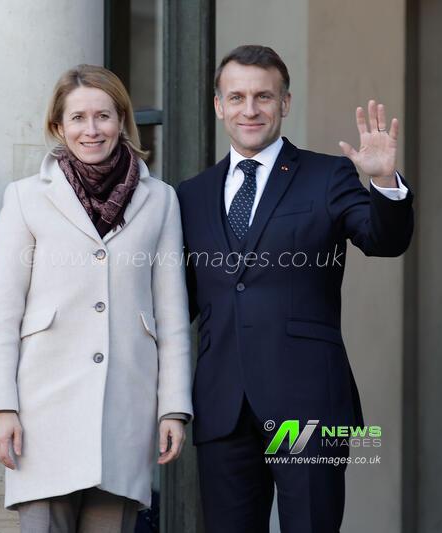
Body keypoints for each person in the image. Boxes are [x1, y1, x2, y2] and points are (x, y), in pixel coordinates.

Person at [176, 45, 414, 532]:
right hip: (223, 409)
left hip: (308, 408)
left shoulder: (328, 176)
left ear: (285, 103)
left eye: (263, 96)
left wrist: (384, 182)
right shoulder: (189, 194)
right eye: (236, 96)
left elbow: (384, 241)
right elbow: (175, 304)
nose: (250, 109)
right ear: (218, 105)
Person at [0, 64, 192, 533]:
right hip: (40, 413)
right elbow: (3, 312)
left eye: (103, 116)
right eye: (77, 118)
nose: (91, 130)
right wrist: (1, 408)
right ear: (58, 125)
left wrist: (172, 406)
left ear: (122, 122)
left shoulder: (161, 200)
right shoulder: (25, 198)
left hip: (126, 410)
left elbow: (171, 312)